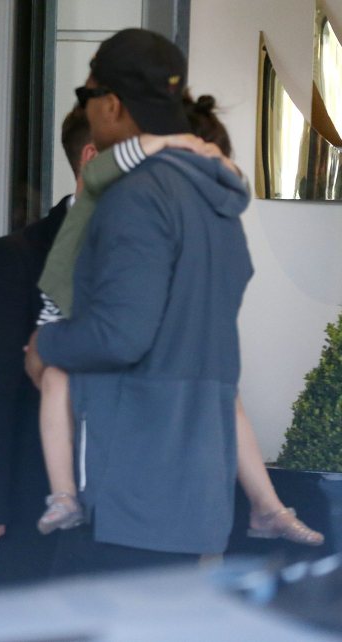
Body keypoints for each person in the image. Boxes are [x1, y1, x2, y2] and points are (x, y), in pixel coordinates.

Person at [31, 93, 323, 547]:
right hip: (97, 366)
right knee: (57, 378)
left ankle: (267, 506)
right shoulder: (127, 206)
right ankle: (65, 493)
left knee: (225, 392)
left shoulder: (170, 215)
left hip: (152, 473)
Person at [23, 28, 254, 575]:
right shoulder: (214, 200)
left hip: (126, 484)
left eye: (86, 95)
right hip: (190, 492)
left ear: (111, 103)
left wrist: (44, 344)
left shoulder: (137, 196)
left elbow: (120, 335)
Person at [0, 106, 95, 585]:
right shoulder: (21, 252)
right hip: (36, 478)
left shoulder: (149, 249)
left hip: (128, 484)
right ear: (92, 157)